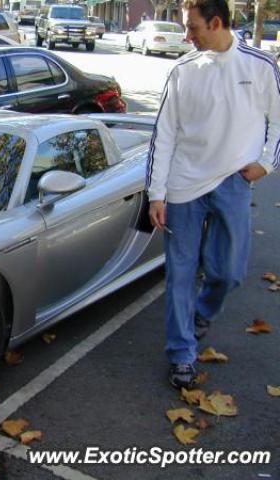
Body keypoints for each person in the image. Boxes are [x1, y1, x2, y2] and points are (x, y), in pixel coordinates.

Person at [146, 0, 280, 389]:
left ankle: (203, 312)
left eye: (192, 27)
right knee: (180, 275)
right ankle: (181, 354)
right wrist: (157, 194)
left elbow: (278, 121)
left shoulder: (259, 65)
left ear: (217, 22)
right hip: (185, 185)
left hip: (233, 182)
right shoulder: (183, 70)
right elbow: (164, 134)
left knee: (229, 273)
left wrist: (267, 163)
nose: (186, 36)